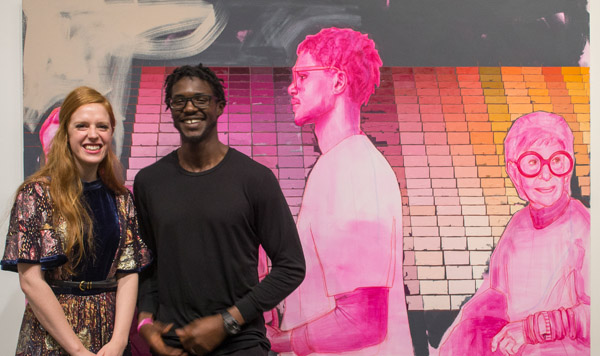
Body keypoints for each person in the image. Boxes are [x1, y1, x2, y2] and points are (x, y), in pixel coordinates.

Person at [134, 63, 306, 356]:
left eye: (200, 99)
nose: (190, 108)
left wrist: (228, 321)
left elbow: (291, 267)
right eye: (179, 100)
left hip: (240, 343)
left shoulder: (255, 179)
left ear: (220, 106)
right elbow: (149, 265)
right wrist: (146, 323)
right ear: (170, 109)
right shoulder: (149, 182)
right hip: (174, 345)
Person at [267, 27, 413, 356]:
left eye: (303, 76)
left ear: (337, 81)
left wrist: (280, 342)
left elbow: (363, 322)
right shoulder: (337, 167)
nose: (291, 88)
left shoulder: (354, 172)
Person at [1, 86, 152, 355]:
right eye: (82, 125)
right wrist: (78, 350)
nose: (93, 134)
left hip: (109, 337)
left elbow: (128, 273)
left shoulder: (121, 198)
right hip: (52, 338)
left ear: (111, 133)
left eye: (102, 126)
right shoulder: (36, 194)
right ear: (66, 133)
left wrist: (118, 343)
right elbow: (31, 281)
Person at [438, 111, 590, 356]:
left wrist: (533, 328)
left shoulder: (585, 228)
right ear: (514, 172)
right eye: (533, 162)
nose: (546, 173)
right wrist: (462, 330)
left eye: (557, 160)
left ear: (569, 163)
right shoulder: (518, 226)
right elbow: (497, 295)